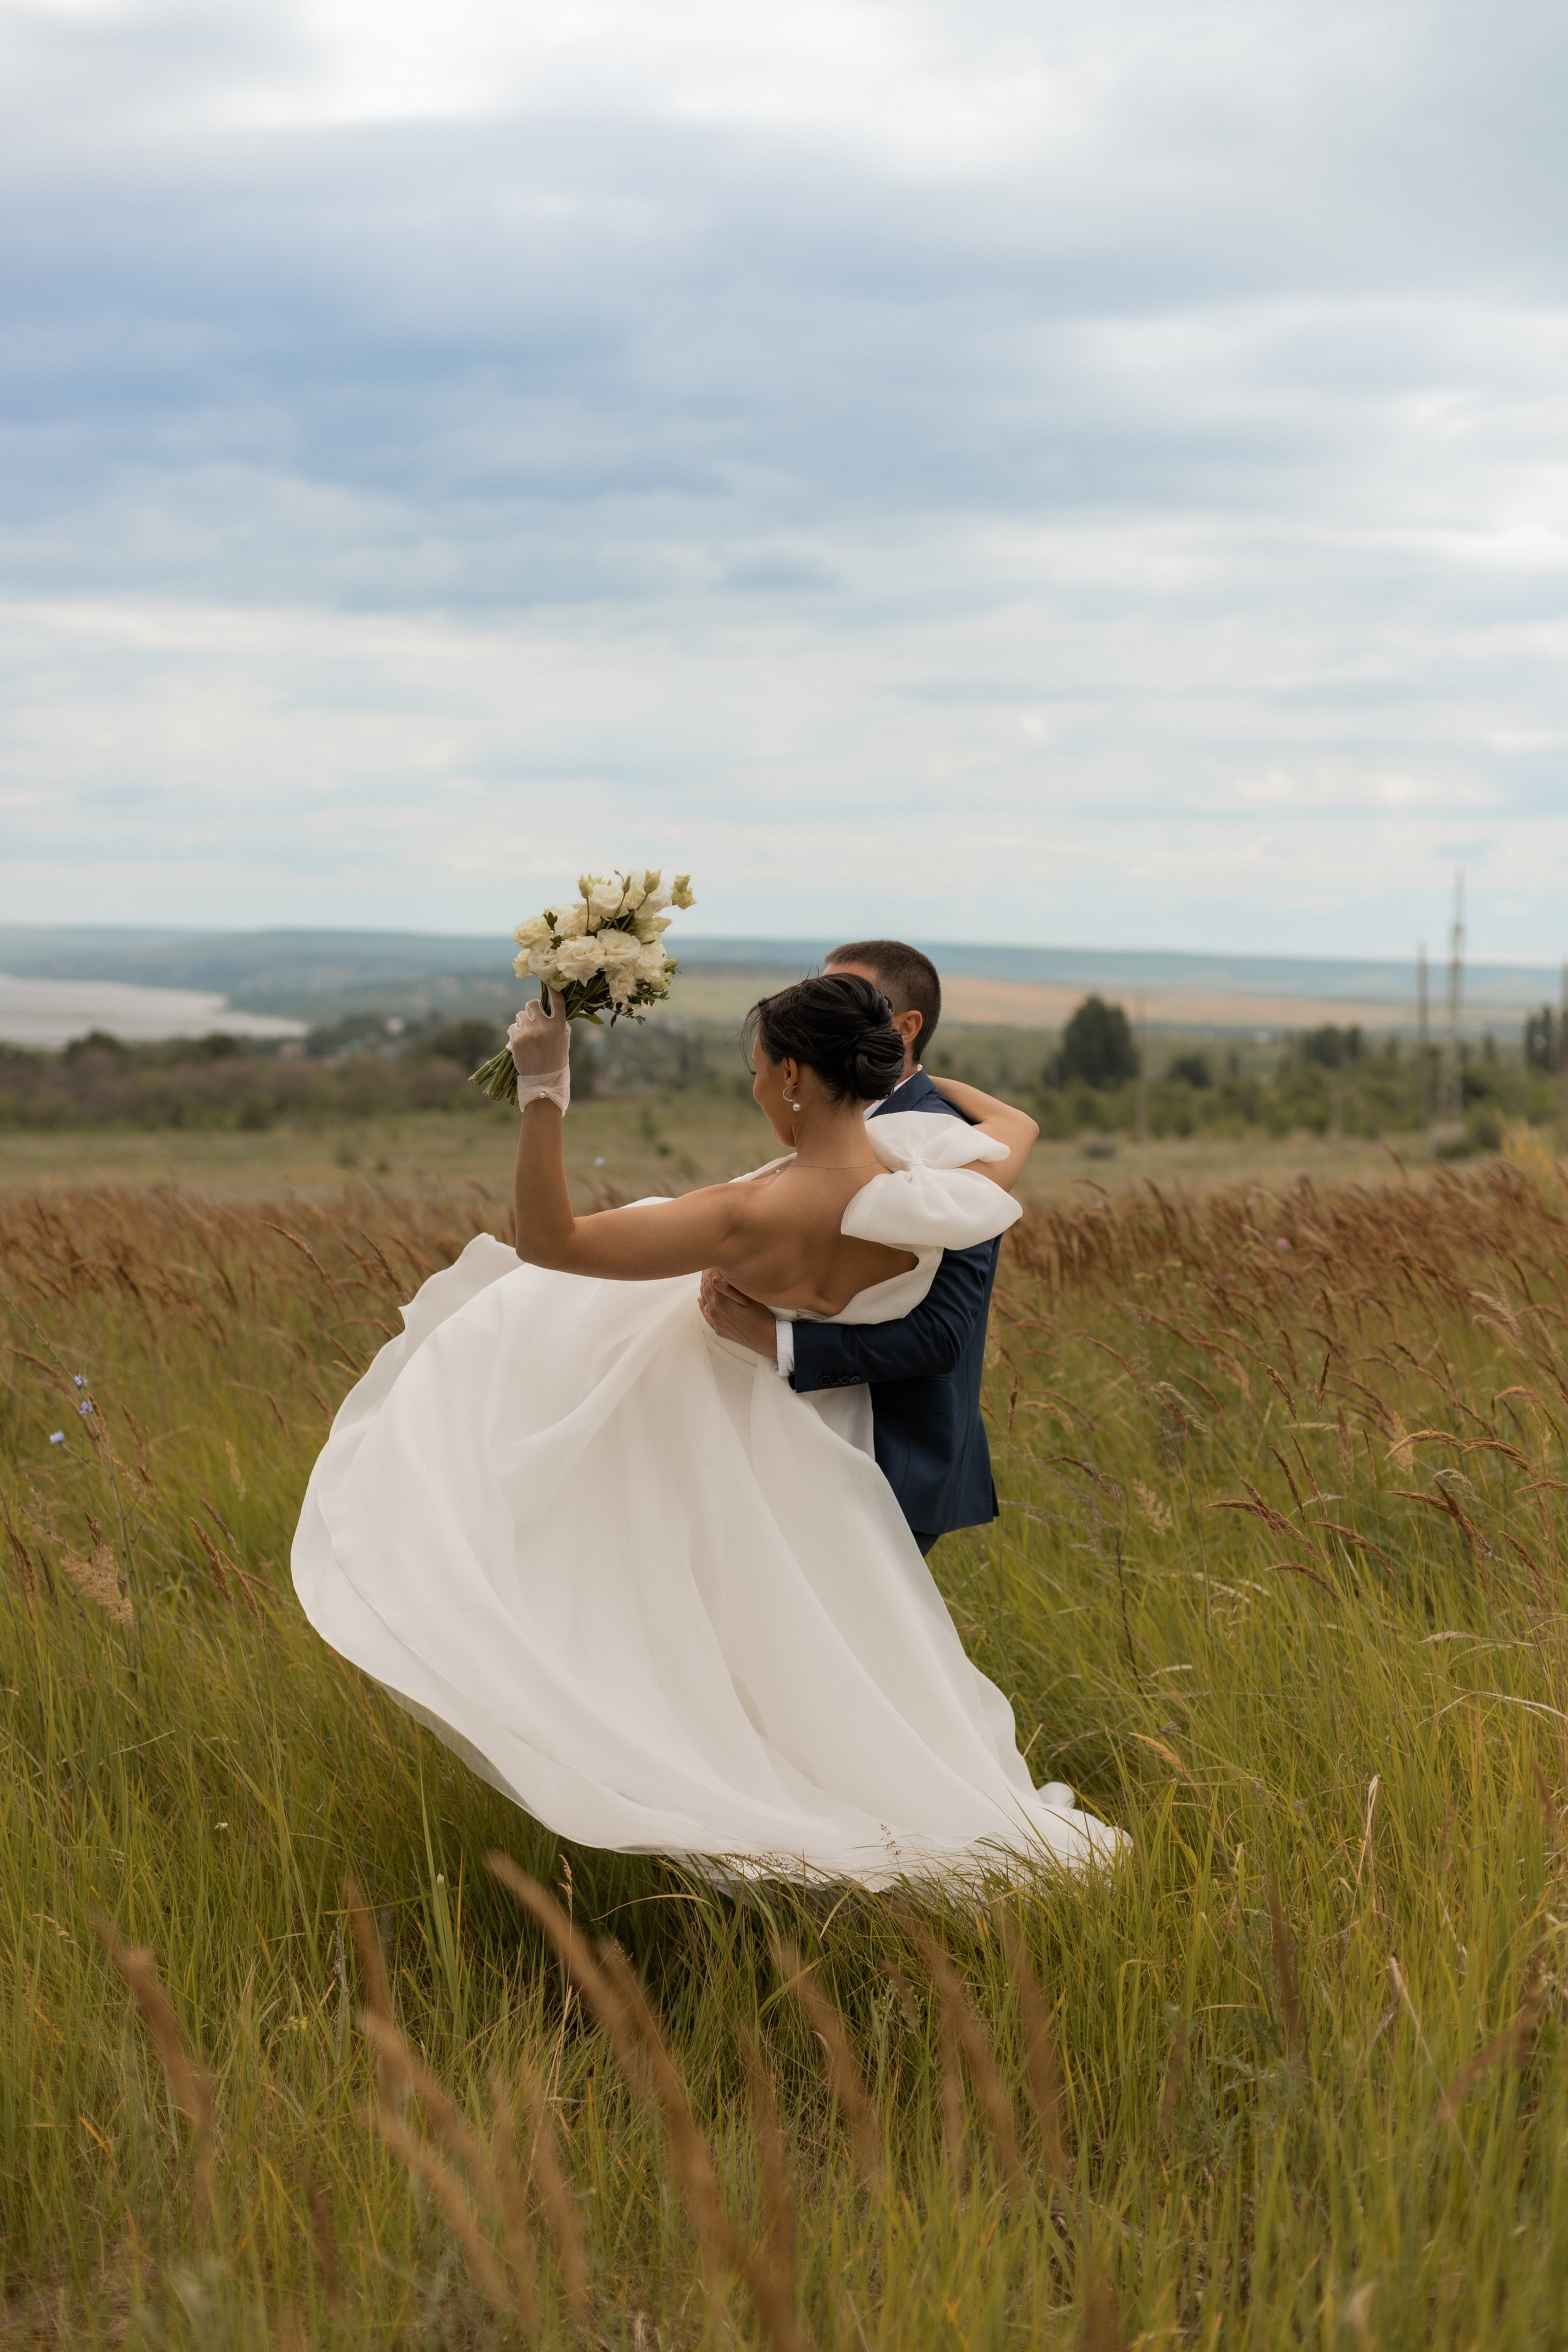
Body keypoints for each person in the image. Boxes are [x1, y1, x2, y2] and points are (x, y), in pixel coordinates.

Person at [291, 973, 1122, 1885]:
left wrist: (543, 1089)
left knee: (696, 1647)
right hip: (816, 1446)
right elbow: (1021, 1127)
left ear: (799, 1075)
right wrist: (912, 1075)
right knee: (820, 1657)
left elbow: (550, 1242)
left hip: (710, 1434)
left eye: (762, 1073)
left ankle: (730, 1803)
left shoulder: (753, 1213)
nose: (757, 1089)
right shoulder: (941, 1183)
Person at [700, 940, 1007, 1555]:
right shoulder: (827, 1117)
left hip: (895, 1462)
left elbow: (943, 1334)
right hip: (789, 1445)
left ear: (905, 1026)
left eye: (849, 995)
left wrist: (778, 1342)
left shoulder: (948, 1139)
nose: (825, 1007)